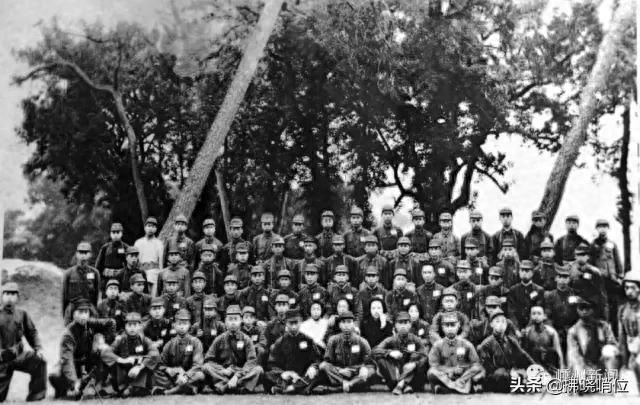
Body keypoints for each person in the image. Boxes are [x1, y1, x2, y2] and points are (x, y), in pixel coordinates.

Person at [49, 299, 115, 399]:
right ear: (73, 314)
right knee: (55, 374)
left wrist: (104, 342)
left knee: (103, 352)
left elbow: (111, 322)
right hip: (74, 364)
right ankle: (64, 389)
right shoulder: (68, 334)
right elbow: (67, 360)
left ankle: (98, 386)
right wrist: (74, 382)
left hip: (88, 362)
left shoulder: (90, 323)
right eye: (80, 312)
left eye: (86, 312)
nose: (84, 315)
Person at [0, 282, 46, 402]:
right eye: (7, 294)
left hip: (18, 355)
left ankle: (36, 396)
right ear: (2, 296)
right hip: (2, 361)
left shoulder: (22, 314)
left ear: (17, 297)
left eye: (13, 294)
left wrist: (38, 348)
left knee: (39, 361)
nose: (10, 297)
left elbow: (32, 333)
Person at [201, 305, 264, 394]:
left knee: (258, 370)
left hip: (241, 372)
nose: (233, 322)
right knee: (206, 367)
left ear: (240, 321)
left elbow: (251, 361)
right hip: (223, 372)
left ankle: (225, 386)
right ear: (225, 322)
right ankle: (237, 386)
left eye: (235, 319)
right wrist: (223, 370)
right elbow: (208, 359)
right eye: (230, 319)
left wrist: (237, 375)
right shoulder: (219, 339)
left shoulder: (246, 339)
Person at [101, 312, 160, 398]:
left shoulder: (145, 340)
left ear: (140, 326)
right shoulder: (120, 340)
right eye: (129, 325)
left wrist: (139, 367)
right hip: (124, 373)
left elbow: (155, 353)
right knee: (110, 361)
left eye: (135, 325)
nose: (132, 328)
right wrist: (122, 360)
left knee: (147, 361)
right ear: (125, 326)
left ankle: (133, 388)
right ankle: (125, 388)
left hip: (139, 374)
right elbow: (105, 353)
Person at [265, 309, 322, 394]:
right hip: (288, 377)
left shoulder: (308, 339)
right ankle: (299, 388)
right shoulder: (280, 342)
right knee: (267, 375)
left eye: (296, 323)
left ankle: (288, 389)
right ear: (286, 323)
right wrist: (283, 373)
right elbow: (271, 363)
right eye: (291, 323)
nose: (294, 326)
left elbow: (317, 359)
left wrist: (313, 367)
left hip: (304, 375)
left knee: (319, 372)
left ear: (300, 322)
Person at [477, 309, 535, 392]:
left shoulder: (511, 340)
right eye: (497, 321)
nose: (501, 324)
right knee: (502, 376)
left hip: (509, 372)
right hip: (494, 376)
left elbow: (523, 355)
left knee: (525, 376)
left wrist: (535, 367)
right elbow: (485, 366)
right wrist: (510, 374)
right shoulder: (486, 344)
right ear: (491, 324)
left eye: (503, 322)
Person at [316, 311, 374, 393]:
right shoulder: (333, 340)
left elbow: (370, 363)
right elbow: (327, 361)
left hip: (356, 374)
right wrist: (340, 370)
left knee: (371, 371)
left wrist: (363, 368)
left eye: (349, 322)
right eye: (343, 322)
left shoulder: (362, 341)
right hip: (338, 374)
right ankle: (347, 384)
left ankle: (343, 387)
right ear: (339, 325)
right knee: (323, 366)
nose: (346, 325)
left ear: (353, 324)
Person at [427, 312, 484, 394]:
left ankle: (447, 388)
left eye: (453, 325)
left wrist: (463, 373)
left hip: (463, 376)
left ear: (458, 326)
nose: (450, 328)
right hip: (445, 377)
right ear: (442, 327)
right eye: (447, 326)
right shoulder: (437, 345)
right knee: (431, 372)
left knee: (478, 370)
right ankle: (456, 387)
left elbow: (476, 364)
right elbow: (434, 365)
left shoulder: (466, 344)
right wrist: (450, 370)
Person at [372, 311, 428, 394]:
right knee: (380, 358)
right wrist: (390, 353)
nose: (403, 326)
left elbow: (425, 356)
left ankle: (401, 384)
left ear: (410, 325)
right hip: (395, 376)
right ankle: (403, 385)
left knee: (419, 358)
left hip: (412, 377)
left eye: (406, 323)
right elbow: (374, 351)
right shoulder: (391, 340)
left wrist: (415, 364)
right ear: (395, 325)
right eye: (400, 323)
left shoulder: (415, 339)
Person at [152, 309, 205, 395]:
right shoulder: (169, 344)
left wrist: (186, 375)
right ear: (174, 325)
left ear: (189, 325)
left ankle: (170, 391)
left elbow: (198, 365)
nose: (182, 327)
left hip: (189, 376)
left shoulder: (196, 342)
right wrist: (169, 369)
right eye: (179, 324)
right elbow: (161, 364)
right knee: (154, 373)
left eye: (185, 324)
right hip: (174, 376)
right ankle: (186, 388)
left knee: (200, 375)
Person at [566, 296, 619, 376]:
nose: (584, 311)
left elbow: (612, 344)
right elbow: (574, 355)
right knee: (575, 362)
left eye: (587, 308)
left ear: (592, 309)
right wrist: (587, 370)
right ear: (577, 310)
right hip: (584, 366)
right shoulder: (573, 331)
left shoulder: (603, 325)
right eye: (581, 308)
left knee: (610, 350)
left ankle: (611, 378)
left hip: (602, 363)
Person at [590, 219, 623, 332]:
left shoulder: (612, 244)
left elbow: (618, 261)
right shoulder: (593, 245)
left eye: (605, 227)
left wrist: (620, 277)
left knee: (614, 307)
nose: (602, 229)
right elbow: (590, 262)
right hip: (600, 281)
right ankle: (603, 334)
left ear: (608, 228)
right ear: (597, 229)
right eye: (600, 227)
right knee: (602, 307)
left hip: (612, 280)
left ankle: (615, 333)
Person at [62, 242, 101, 324]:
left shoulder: (95, 273)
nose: (83, 255)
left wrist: (93, 309)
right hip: (73, 307)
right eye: (80, 252)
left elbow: (96, 295)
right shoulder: (68, 273)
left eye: (85, 252)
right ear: (76, 254)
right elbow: (64, 296)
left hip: (88, 306)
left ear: (90, 255)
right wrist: (65, 313)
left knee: (93, 326)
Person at [543, 266, 579, 351]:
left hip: (572, 329)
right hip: (556, 329)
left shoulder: (574, 294)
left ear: (569, 279)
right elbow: (547, 315)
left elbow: (578, 313)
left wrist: (573, 329)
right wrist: (553, 331)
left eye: (565, 277)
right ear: (556, 278)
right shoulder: (550, 295)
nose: (562, 280)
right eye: (560, 277)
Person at [569, 243, 608, 320]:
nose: (580, 257)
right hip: (576, 305)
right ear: (575, 256)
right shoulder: (571, 270)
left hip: (591, 305)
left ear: (588, 257)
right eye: (578, 255)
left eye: (583, 255)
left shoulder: (594, 271)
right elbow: (569, 287)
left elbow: (600, 292)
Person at [521, 306, 564, 372]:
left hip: (549, 366)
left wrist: (561, 369)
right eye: (534, 313)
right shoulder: (527, 332)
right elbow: (524, 352)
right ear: (530, 316)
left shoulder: (551, 332)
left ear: (544, 316)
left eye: (539, 313)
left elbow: (558, 351)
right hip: (533, 366)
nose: (536, 316)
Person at [617, 271, 640, 393]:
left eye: (633, 288)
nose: (629, 291)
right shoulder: (623, 309)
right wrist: (624, 359)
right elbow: (622, 335)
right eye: (626, 288)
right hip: (630, 346)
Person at [507, 260, 544, 331]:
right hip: (516, 326)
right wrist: (516, 329)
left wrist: (529, 327)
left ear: (532, 273)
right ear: (519, 272)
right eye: (522, 270)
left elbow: (537, 310)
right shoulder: (513, 290)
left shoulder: (539, 290)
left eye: (527, 271)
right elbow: (511, 312)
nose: (524, 273)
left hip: (533, 326)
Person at [95, 223, 129, 293]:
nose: (115, 234)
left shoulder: (126, 248)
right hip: (107, 277)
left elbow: (128, 264)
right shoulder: (105, 247)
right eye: (113, 232)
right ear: (110, 234)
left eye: (118, 232)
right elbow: (98, 265)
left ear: (121, 233)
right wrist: (99, 278)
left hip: (121, 278)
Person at [134, 217, 164, 296]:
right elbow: (135, 260)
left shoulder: (159, 243)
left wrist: (161, 276)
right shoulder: (138, 242)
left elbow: (161, 262)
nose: (151, 228)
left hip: (154, 272)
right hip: (141, 272)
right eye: (149, 226)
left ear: (156, 229)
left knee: (152, 296)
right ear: (145, 227)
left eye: (153, 226)